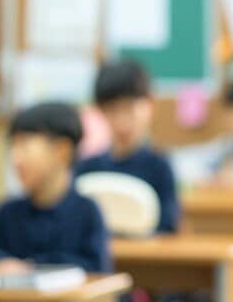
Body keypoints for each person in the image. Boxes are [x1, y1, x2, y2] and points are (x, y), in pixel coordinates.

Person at [0, 102, 111, 274]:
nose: (16, 159)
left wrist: (32, 267)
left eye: (24, 145)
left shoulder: (87, 212)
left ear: (62, 150)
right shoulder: (7, 213)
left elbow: (96, 270)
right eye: (13, 147)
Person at [77, 60, 180, 233]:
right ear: (100, 112)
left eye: (130, 109)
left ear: (151, 105)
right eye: (113, 110)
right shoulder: (87, 167)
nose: (122, 121)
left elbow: (168, 227)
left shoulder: (160, 167)